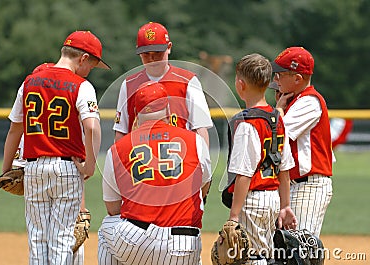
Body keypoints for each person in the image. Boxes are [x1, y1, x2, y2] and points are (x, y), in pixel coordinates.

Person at [2, 30, 109, 264]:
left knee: (37, 238)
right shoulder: (81, 86)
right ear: (82, 59)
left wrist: (6, 168)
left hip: (33, 170)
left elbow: (14, 130)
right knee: (62, 239)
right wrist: (90, 165)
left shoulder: (29, 82)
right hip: (67, 168)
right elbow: (92, 128)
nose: (89, 70)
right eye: (91, 65)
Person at [98, 81, 212, 265]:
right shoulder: (196, 142)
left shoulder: (117, 149)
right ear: (168, 111)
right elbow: (204, 186)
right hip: (184, 245)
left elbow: (113, 209)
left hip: (136, 242)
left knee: (106, 228)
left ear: (136, 115)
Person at [224, 53, 297, 264]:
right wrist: (285, 206)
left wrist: (234, 216)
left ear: (240, 84)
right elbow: (284, 169)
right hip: (273, 197)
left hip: (253, 199)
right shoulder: (277, 119)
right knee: (266, 255)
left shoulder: (247, 123)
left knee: (252, 258)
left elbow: (244, 174)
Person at [113, 22, 213, 146]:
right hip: (140, 159)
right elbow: (121, 132)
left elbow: (200, 129)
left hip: (178, 158)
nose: (152, 59)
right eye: (146, 54)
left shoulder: (188, 81)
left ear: (169, 47)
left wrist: (202, 163)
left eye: (157, 53)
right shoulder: (129, 84)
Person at [272, 46, 334, 237]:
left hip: (308, 186)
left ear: (297, 78)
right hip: (293, 185)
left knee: (299, 249)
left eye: (280, 74)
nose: (275, 79)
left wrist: (278, 111)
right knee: (285, 250)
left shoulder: (309, 102)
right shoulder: (295, 100)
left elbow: (278, 133)